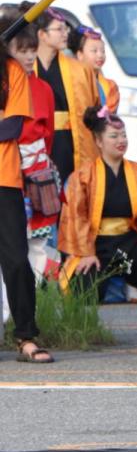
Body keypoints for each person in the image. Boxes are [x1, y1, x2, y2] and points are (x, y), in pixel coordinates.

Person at [59, 106, 137, 297]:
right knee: (85, 289)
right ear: (98, 141)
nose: (121, 141)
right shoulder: (83, 176)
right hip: (96, 245)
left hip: (127, 242)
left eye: (123, 135)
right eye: (114, 136)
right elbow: (76, 218)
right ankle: (123, 286)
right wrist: (86, 253)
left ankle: (133, 284)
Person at [0, 42, 53, 362]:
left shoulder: (11, 70)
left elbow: (13, 126)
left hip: (5, 178)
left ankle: (26, 336)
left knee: (17, 259)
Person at [7, 24, 60, 277]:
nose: (29, 57)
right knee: (10, 242)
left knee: (37, 241)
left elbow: (48, 131)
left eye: (32, 50)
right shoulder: (5, 86)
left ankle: (36, 300)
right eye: (22, 51)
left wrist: (41, 166)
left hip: (37, 168)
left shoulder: (44, 89)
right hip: (9, 165)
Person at [33, 8, 98, 184]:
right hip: (40, 140)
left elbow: (95, 108)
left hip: (71, 140)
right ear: (42, 34)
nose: (65, 33)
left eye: (66, 29)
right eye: (59, 29)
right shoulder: (27, 69)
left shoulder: (80, 69)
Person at [68, 25, 119, 113]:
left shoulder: (110, 86)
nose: (100, 55)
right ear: (80, 54)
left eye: (103, 51)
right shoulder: (69, 81)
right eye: (94, 51)